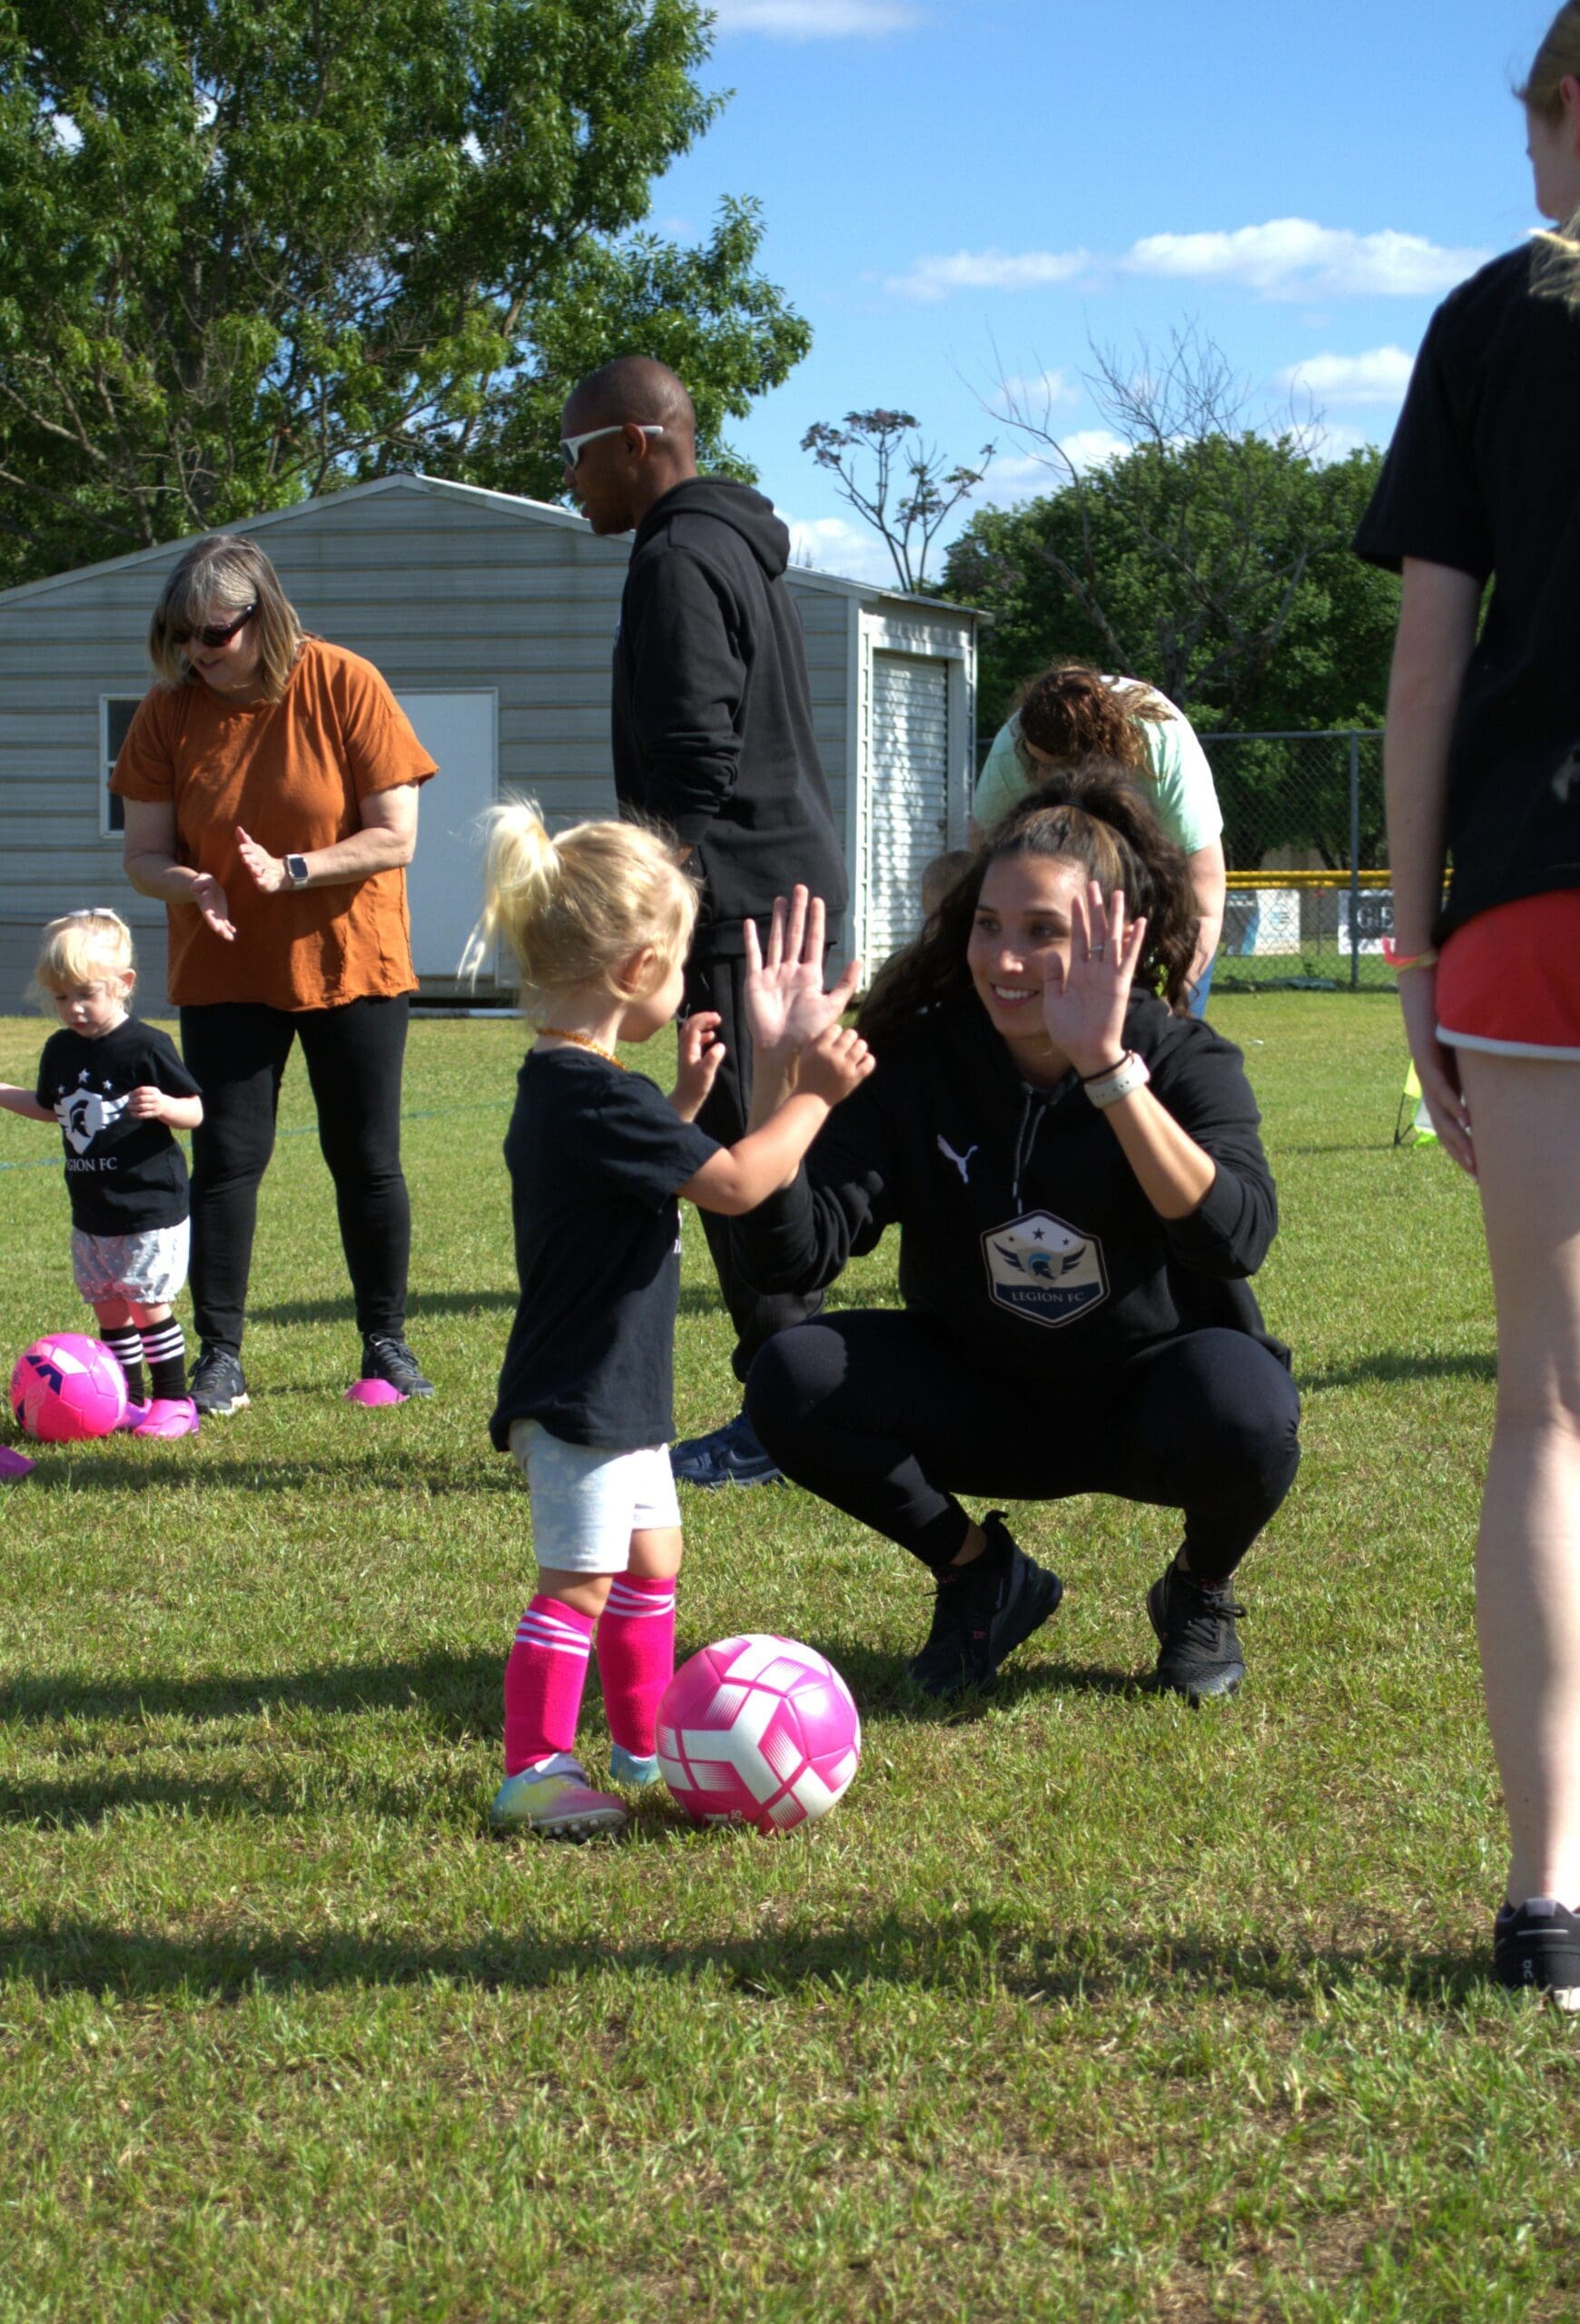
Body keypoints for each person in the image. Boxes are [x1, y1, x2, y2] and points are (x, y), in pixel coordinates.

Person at [731, 763, 1300, 1704]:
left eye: (1043, 933)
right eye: (989, 927)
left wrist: (1108, 1071)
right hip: (982, 1395)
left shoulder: (1179, 1055)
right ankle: (979, 1575)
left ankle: (1197, 1590)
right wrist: (776, 1081)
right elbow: (792, 1256)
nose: (1003, 960)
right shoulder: (925, 1054)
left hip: (1141, 1402)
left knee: (1253, 1407)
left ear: (1118, 939)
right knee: (792, 1373)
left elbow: (1235, 1238)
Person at [1351, 1, 1580, 2007]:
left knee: (1549, 1405)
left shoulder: (1491, 321)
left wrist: (1417, 948)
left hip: (1531, 893)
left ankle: (1548, 1897)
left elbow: (1429, 670)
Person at [469, 805, 868, 1838]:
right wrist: (816, 1094)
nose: (689, 983)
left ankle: (643, 1747)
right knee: (580, 1582)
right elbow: (737, 1184)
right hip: (582, 1389)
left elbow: (635, 1179)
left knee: (652, 1563)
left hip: (617, 1385)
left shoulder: (582, 1088)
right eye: (684, 963)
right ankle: (534, 1769)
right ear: (639, 965)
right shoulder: (590, 1095)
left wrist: (685, 1100)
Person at [560, 353, 850, 1489]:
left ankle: (787, 1407)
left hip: (735, 907)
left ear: (639, 442)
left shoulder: (679, 556)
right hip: (776, 893)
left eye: (578, 456)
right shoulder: (730, 547)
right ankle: (800, 1392)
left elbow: (693, 755)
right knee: (758, 1141)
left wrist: (647, 906)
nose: (570, 483)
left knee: (737, 1149)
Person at [112, 534, 438, 1417]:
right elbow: (144, 854)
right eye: (179, 637)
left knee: (366, 1158)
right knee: (225, 1160)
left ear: (261, 616)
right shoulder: (168, 711)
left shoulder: (343, 683)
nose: (194, 654)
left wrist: (294, 869)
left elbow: (395, 835)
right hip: (223, 964)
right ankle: (219, 1356)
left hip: (351, 959)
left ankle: (386, 1341)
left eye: (211, 635)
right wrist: (192, 880)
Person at [0, 910, 204, 1438]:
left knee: (147, 1305)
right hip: (92, 1208)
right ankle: (124, 1398)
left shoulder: (146, 1045)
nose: (74, 1009)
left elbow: (195, 1111)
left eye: (86, 994)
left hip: (149, 1206)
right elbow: (52, 1106)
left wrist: (164, 1105)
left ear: (123, 985)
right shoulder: (60, 1049)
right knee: (111, 1309)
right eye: (62, 998)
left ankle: (175, 1402)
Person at [972, 663, 1227, 1015]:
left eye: (1059, 766)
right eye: (1037, 762)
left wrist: (1174, 1005)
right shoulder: (1015, 745)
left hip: (1155, 893)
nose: (1044, 776)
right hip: (1065, 901)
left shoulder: (1163, 743)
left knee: (1163, 1042)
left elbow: (1204, 904)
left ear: (1104, 753)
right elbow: (978, 868)